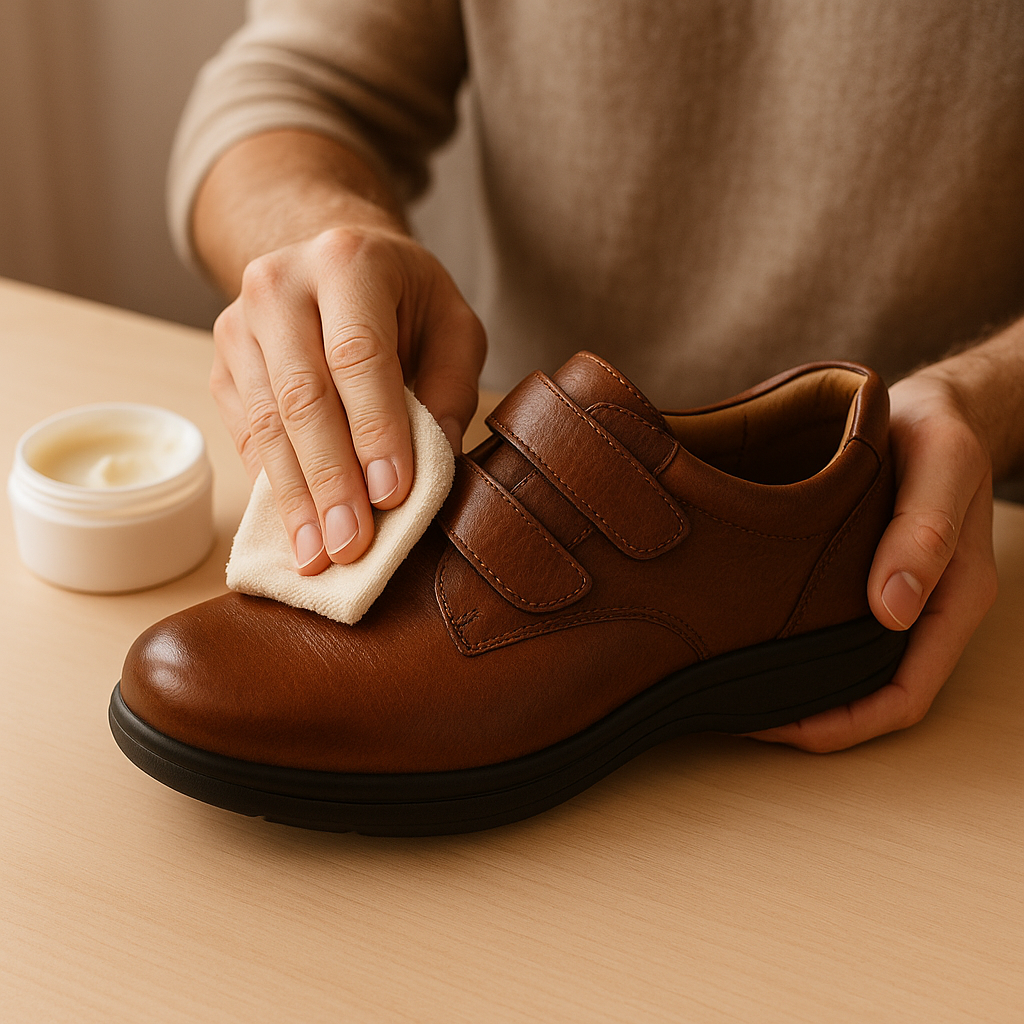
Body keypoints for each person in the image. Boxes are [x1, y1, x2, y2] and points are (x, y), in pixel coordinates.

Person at [168, 1, 1024, 753]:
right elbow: (290, 83)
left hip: (968, 502)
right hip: (509, 471)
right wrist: (328, 242)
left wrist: (995, 391)